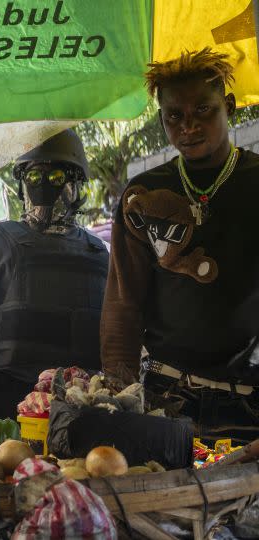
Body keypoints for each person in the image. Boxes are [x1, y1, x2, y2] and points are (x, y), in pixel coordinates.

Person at [101, 48, 259, 444]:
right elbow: (123, 305)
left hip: (250, 402)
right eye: (174, 116)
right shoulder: (143, 195)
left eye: (203, 110)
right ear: (161, 120)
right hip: (164, 400)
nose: (188, 125)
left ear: (230, 107)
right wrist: (119, 401)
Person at [0, 130, 110, 420]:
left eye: (56, 177)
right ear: (21, 184)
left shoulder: (99, 255)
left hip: (82, 408)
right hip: (9, 405)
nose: (43, 184)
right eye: (33, 176)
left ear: (76, 186)